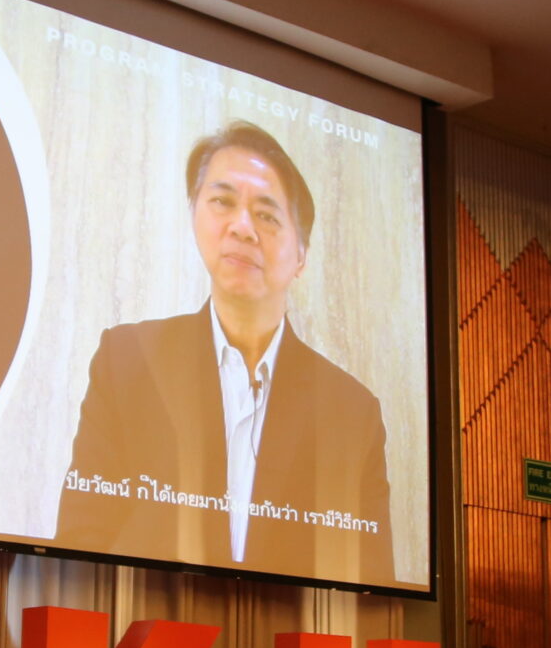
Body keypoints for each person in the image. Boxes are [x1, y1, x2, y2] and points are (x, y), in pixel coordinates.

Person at [56, 121, 393, 584]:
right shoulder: (127, 360)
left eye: (268, 216)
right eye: (223, 202)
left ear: (301, 255)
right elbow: (80, 541)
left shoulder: (353, 413)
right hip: (144, 624)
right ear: (195, 215)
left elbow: (371, 580)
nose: (243, 228)